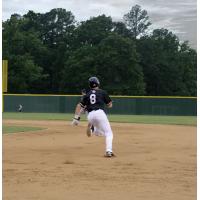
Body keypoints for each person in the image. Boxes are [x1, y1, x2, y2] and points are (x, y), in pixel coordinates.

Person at [72, 77, 115, 158]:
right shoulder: (102, 92)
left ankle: (92, 129)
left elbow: (79, 106)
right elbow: (110, 105)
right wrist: (108, 102)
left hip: (90, 115)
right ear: (98, 83)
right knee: (109, 133)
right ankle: (108, 151)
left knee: (98, 131)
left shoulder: (87, 94)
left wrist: (76, 118)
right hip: (100, 113)